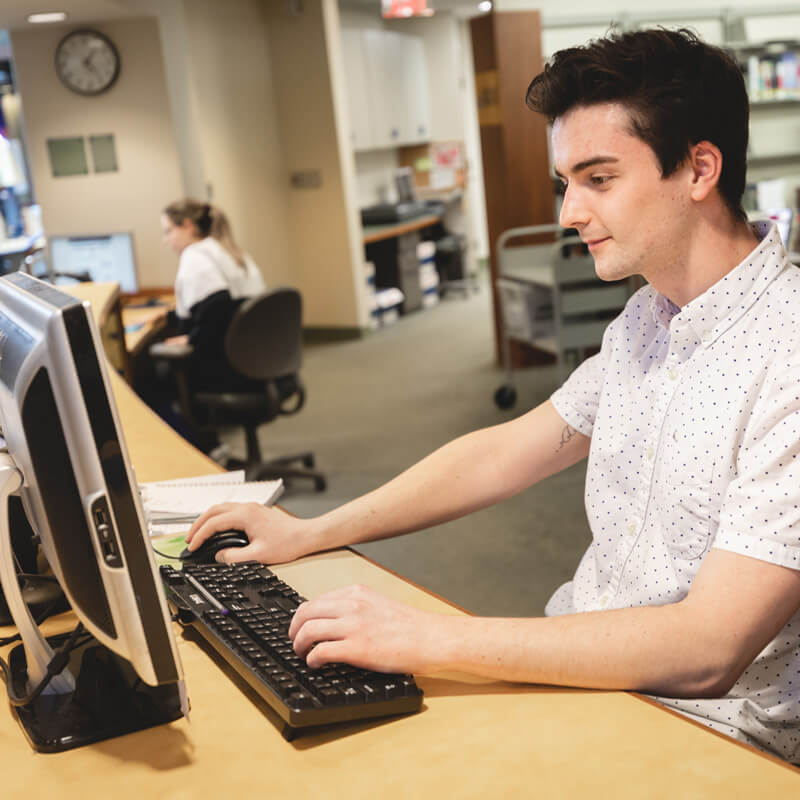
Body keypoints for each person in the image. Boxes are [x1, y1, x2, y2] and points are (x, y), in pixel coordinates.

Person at [185, 29, 800, 761]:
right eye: (565, 183)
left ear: (699, 168)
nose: (570, 213)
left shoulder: (786, 351)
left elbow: (708, 648)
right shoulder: (648, 316)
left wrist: (437, 638)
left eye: (598, 179)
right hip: (590, 679)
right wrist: (312, 530)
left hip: (711, 734)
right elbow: (508, 451)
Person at [160, 198, 266, 386]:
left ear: (188, 226)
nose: (166, 240)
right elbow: (227, 309)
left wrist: (191, 339)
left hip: (226, 366)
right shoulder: (231, 251)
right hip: (258, 357)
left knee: (150, 375)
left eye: (168, 231)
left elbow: (218, 308)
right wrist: (168, 317)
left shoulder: (195, 256)